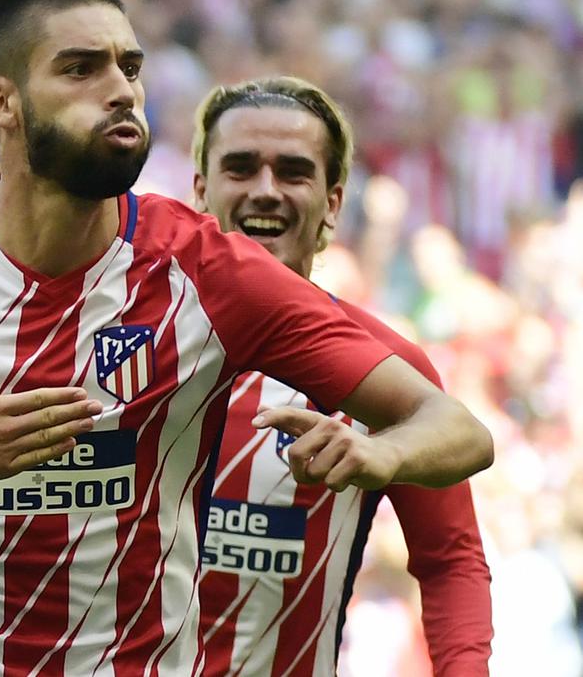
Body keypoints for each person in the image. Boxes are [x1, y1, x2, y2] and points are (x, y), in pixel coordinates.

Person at [0, 0, 492, 675]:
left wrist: (378, 451)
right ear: (2, 101)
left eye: (130, 67)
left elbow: (456, 430)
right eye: (80, 68)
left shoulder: (210, 271)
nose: (121, 89)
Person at [191, 76, 493, 676]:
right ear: (201, 190)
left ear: (332, 202)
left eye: (294, 172)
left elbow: (450, 560)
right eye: (241, 168)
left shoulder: (386, 371)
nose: (266, 191)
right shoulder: (131, 337)